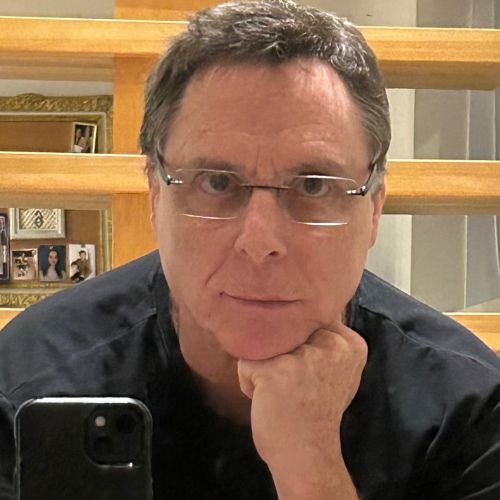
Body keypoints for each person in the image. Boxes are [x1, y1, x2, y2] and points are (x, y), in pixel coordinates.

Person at [1, 1, 499, 499]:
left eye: (313, 186)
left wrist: (311, 463)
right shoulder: (24, 387)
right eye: (216, 182)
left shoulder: (468, 413)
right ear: (155, 195)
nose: (259, 242)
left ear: (373, 210)